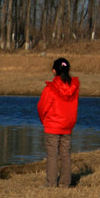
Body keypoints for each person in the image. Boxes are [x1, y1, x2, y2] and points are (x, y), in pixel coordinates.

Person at [37, 57, 80, 188]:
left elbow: (42, 107)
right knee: (65, 154)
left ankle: (51, 183)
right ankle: (65, 182)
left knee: (52, 154)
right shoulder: (74, 87)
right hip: (67, 124)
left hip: (53, 124)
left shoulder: (50, 88)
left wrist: (45, 121)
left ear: (54, 71)